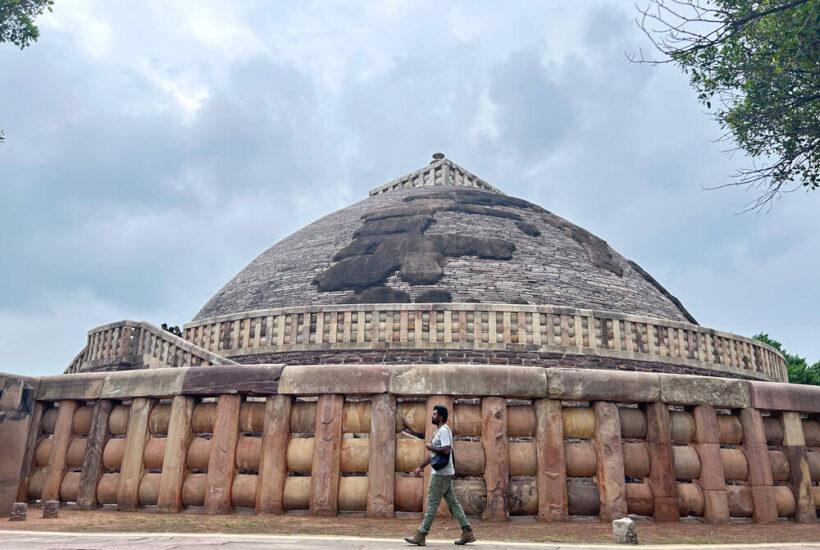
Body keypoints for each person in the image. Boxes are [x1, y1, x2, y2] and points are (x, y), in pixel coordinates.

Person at [403, 404, 476, 546]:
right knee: (453, 503)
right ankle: (467, 532)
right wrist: (421, 467)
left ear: (441, 417)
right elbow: (434, 456)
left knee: (432, 503)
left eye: (435, 414)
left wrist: (431, 447)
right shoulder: (440, 431)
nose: (433, 416)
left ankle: (421, 534)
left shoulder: (443, 431)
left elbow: (446, 450)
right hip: (444, 473)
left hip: (441, 474)